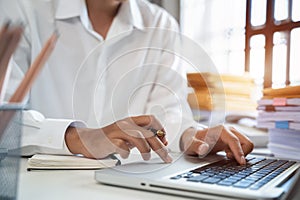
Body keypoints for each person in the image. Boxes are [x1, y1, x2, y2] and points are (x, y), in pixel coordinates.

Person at [0, 0, 253, 165]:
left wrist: (190, 135)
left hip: (125, 185)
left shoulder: (161, 24)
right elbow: (4, 122)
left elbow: (166, 116)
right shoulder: (20, 8)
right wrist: (80, 138)